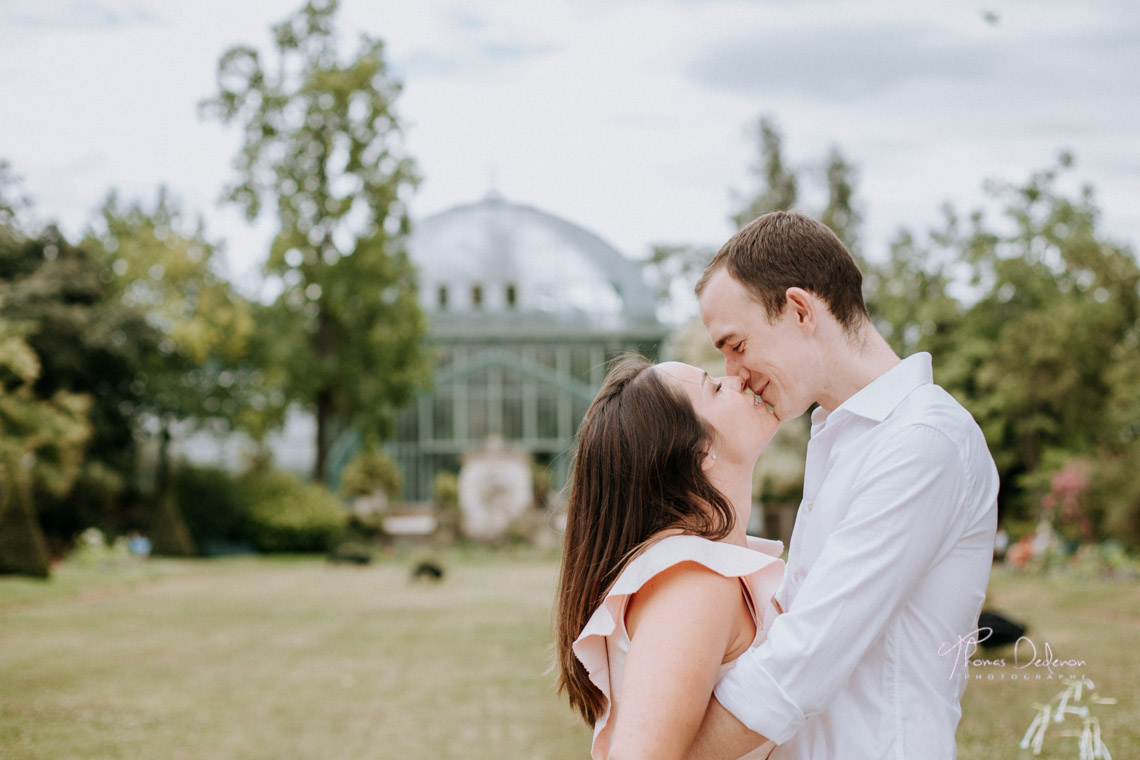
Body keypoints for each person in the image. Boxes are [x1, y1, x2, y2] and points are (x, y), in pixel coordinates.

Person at [689, 211, 999, 759]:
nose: (733, 373)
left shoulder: (922, 440)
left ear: (801, 310)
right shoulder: (840, 436)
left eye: (736, 345)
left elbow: (802, 662)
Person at [554, 355, 786, 760]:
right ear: (700, 451)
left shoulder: (699, 570)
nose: (734, 379)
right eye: (713, 387)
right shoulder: (693, 581)